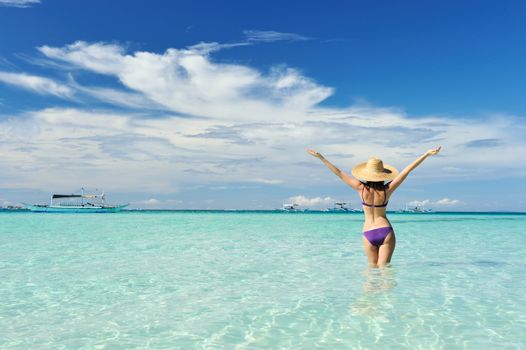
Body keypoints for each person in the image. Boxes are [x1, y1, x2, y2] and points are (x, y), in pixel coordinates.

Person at [307, 147, 441, 267]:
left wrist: (321, 158)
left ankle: (367, 295)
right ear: (382, 175)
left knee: (372, 271)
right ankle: (388, 296)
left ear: (366, 174)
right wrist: (426, 154)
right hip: (385, 230)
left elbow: (339, 172)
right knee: (385, 272)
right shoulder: (386, 190)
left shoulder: (361, 189)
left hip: (368, 232)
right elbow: (406, 171)